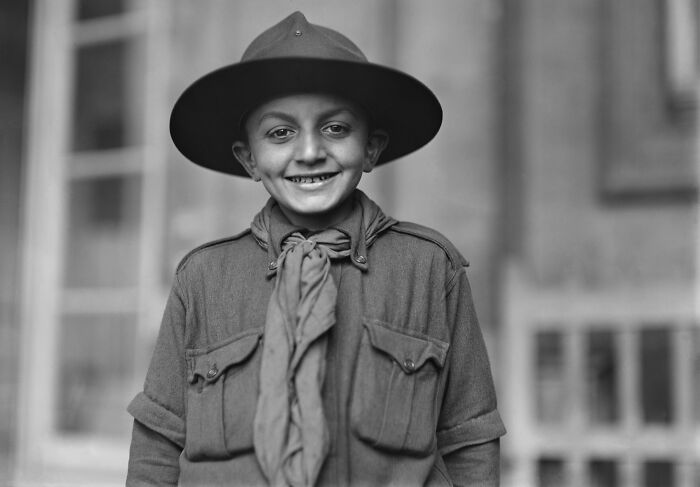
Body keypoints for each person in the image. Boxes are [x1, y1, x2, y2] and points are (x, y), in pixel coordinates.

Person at [126, 11, 506, 487]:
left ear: (371, 149)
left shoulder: (429, 268)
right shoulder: (202, 279)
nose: (309, 152)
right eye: (280, 133)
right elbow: (158, 446)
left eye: (335, 129)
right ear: (249, 159)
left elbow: (469, 439)